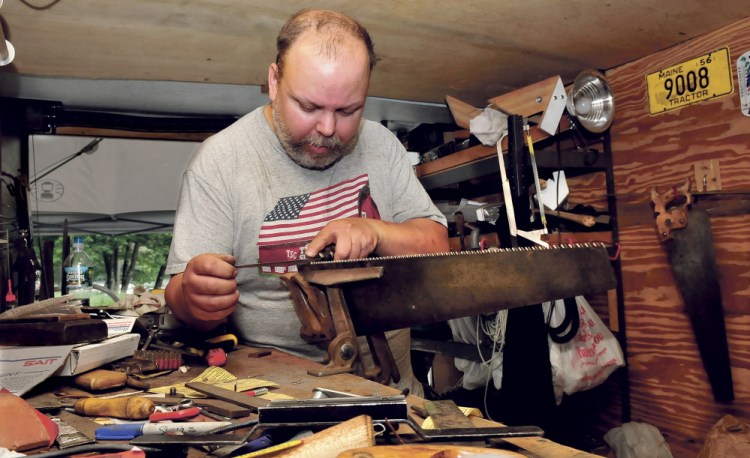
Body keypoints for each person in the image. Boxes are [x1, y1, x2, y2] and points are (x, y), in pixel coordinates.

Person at [164, 8, 449, 396]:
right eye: (309, 107)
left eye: (348, 110)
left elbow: (436, 244)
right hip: (277, 398)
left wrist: (373, 230)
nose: (328, 129)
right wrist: (193, 298)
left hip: (396, 395)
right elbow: (182, 299)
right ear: (274, 81)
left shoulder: (382, 145)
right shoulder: (220, 161)